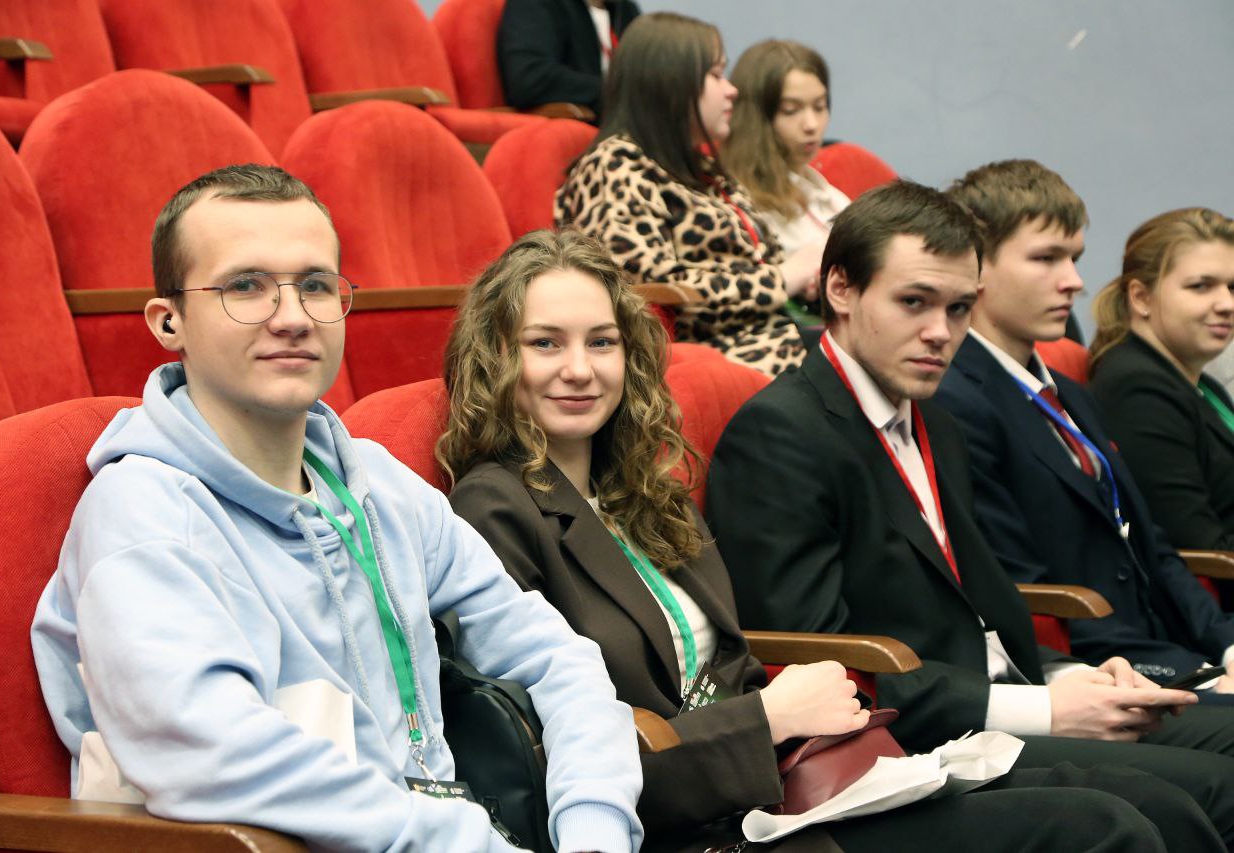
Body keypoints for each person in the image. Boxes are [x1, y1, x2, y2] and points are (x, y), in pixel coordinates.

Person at [439, 228, 1223, 852]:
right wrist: (766, 718)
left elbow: (725, 660)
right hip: (704, 816)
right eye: (546, 343)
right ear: (497, 356)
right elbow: (558, 745)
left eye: (602, 342)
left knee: (1154, 804)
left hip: (794, 772)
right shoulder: (494, 509)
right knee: (1103, 827)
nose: (580, 369)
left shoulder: (642, 489)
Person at [30, 165, 644, 853]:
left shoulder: (379, 485)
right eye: (246, 286)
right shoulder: (142, 517)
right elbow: (215, 755)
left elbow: (557, 657)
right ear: (169, 322)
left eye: (316, 285)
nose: (293, 317)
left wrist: (595, 826)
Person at [705, 179, 1234, 845]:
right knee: (1177, 802)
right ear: (840, 289)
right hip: (906, 742)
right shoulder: (781, 433)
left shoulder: (933, 421)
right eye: (913, 302)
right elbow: (817, 664)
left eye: (959, 308)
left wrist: (1075, 675)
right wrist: (1045, 708)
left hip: (994, 699)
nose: (940, 332)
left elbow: (979, 610)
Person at [933, 161, 1234, 693]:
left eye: (1074, 258)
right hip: (1090, 673)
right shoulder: (954, 402)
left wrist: (1226, 646)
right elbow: (1022, 590)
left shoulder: (1068, 393)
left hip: (1163, 651)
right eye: (1046, 258)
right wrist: (1192, 680)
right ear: (974, 267)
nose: (1073, 281)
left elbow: (1152, 548)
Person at [555, 12, 823, 377]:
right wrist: (782, 280)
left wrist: (807, 277)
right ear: (672, 83)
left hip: (779, 336)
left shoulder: (702, 168)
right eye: (716, 74)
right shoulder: (615, 166)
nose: (732, 90)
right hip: (724, 356)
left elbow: (764, 258)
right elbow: (645, 292)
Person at [1087, 209, 1234, 563]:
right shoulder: (1137, 389)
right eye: (1201, 286)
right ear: (1141, 297)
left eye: (1232, 288)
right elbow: (1201, 550)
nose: (1227, 304)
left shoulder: (1201, 383)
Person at [725, 39, 851, 288]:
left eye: (820, 106)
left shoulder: (826, 194)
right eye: (791, 110)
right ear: (756, 117)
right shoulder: (738, 206)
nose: (812, 125)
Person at [498, 0, 640, 118]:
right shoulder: (535, 4)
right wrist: (616, 93)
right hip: (586, 126)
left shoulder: (626, 10)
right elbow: (529, 79)